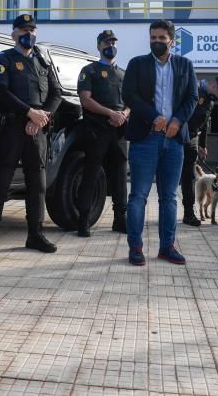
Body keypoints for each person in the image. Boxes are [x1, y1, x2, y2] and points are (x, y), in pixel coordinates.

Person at [0, 13, 62, 257]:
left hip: (37, 131)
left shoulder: (43, 62)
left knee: (37, 184)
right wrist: (29, 113)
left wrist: (41, 117)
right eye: (24, 30)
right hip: (12, 128)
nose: (29, 34)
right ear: (13, 34)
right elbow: (1, 91)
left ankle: (35, 234)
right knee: (1, 183)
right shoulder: (3, 59)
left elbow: (56, 94)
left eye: (33, 30)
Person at [122, 19, 197, 265]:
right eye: (153, 38)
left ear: (171, 41)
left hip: (174, 140)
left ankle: (167, 247)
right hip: (145, 139)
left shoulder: (185, 65)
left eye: (161, 38)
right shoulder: (137, 64)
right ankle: (135, 248)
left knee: (169, 197)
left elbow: (192, 97)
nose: (156, 42)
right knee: (138, 196)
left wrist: (177, 121)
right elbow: (129, 95)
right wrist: (153, 117)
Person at [76, 29, 129, 236]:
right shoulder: (90, 70)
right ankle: (84, 220)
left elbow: (130, 101)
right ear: (99, 46)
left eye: (113, 42)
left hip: (119, 131)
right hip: (97, 129)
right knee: (91, 174)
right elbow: (85, 99)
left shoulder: (124, 73)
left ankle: (120, 218)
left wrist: (124, 114)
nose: (111, 46)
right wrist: (110, 113)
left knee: (119, 175)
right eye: (107, 43)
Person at [181, 76, 218, 226]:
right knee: (169, 175)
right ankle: (166, 211)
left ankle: (189, 212)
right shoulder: (192, 88)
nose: (217, 98)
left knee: (189, 176)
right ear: (215, 86)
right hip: (176, 136)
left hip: (192, 139)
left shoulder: (209, 101)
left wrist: (202, 145)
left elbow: (204, 124)